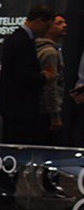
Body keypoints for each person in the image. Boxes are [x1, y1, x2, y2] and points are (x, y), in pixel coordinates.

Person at [0, 4, 55, 145]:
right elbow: (23, 76)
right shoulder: (22, 41)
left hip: (13, 105)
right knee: (17, 145)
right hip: (19, 107)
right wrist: (45, 77)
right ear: (39, 21)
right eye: (47, 26)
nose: (47, 31)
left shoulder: (17, 37)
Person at [35, 13, 67, 145]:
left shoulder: (43, 49)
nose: (64, 25)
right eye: (59, 23)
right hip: (45, 112)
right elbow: (50, 86)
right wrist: (55, 115)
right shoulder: (49, 52)